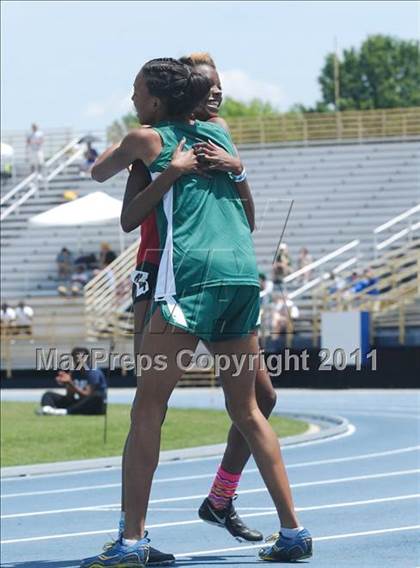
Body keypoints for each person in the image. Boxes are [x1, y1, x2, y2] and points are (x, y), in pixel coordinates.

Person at [81, 57, 312, 567]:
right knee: (250, 409)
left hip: (185, 276)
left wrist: (166, 172)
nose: (132, 98)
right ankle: (294, 532)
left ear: (158, 100)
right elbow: (249, 220)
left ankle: (131, 542)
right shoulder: (221, 135)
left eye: (137, 90)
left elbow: (99, 174)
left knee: (147, 408)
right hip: (241, 275)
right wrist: (238, 170)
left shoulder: (148, 137)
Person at [37, 347, 107, 416]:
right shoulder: (74, 372)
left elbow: (87, 395)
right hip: (81, 403)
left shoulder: (93, 372)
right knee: (48, 395)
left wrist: (70, 382)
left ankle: (65, 411)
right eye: (77, 358)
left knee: (97, 396)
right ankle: (48, 410)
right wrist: (66, 383)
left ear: (88, 359)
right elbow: (69, 397)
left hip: (95, 406)